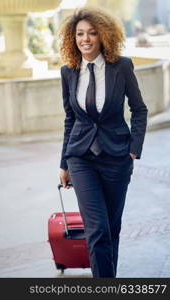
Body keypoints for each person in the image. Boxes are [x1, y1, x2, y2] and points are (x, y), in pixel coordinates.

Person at [58, 8, 148, 278]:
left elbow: (139, 109)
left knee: (111, 227)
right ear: (72, 38)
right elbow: (70, 118)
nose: (85, 39)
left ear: (103, 35)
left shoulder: (121, 66)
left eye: (92, 33)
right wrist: (64, 163)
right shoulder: (68, 72)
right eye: (80, 34)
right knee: (97, 228)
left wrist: (134, 149)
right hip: (81, 158)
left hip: (117, 158)